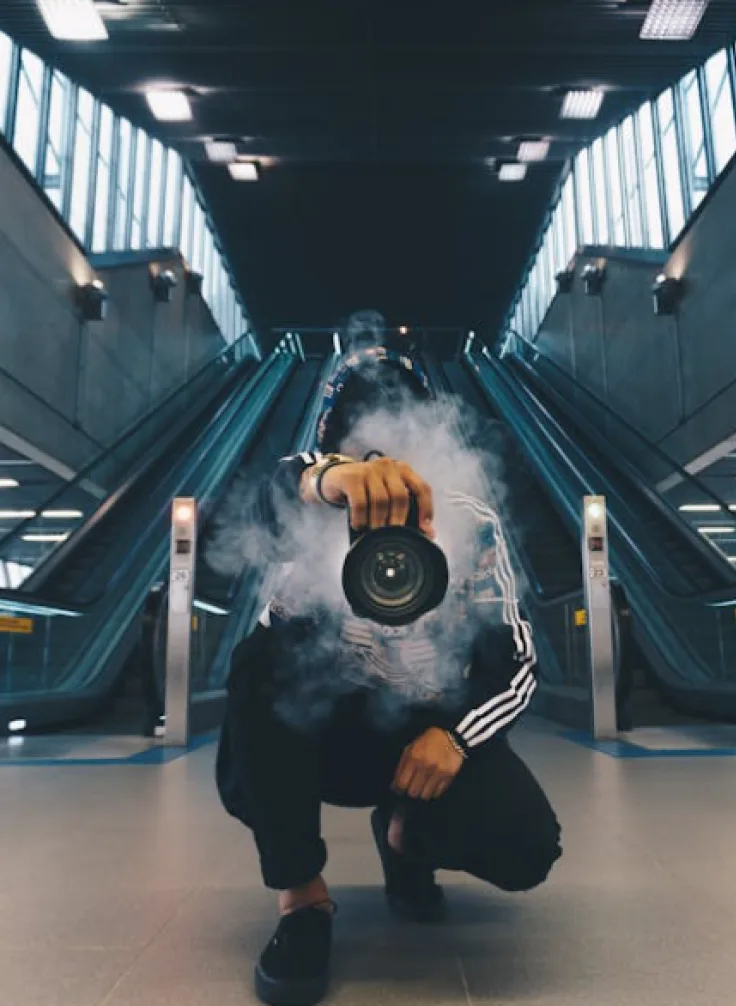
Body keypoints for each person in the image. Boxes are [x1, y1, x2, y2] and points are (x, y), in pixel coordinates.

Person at [216, 344, 562, 1006]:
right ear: (331, 437)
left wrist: (457, 738)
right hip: (324, 736)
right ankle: (302, 901)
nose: (377, 442)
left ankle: (408, 844)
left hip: (423, 737)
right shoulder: (309, 501)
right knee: (261, 659)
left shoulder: (470, 521)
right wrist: (326, 483)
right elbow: (265, 502)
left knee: (527, 847)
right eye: (353, 423)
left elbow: (518, 661)